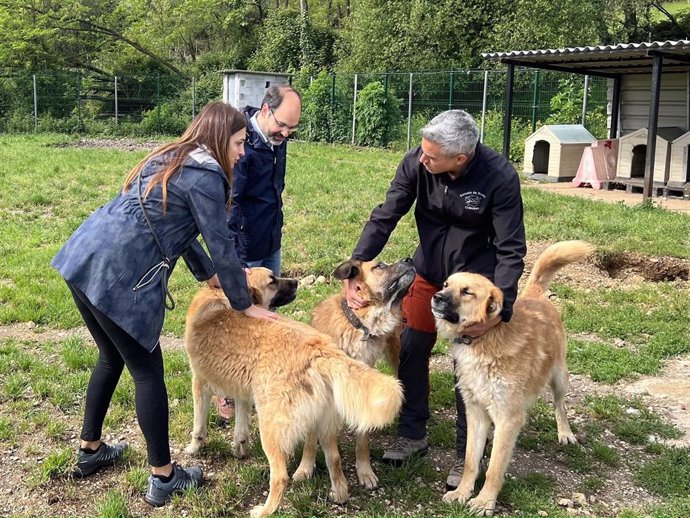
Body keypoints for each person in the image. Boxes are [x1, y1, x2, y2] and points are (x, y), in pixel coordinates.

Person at [51, 102, 277, 506]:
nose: (243, 152)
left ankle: (90, 450)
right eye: (240, 142)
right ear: (218, 137)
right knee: (148, 371)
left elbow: (180, 227)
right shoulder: (207, 177)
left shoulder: (173, 157)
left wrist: (205, 275)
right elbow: (221, 242)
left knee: (110, 356)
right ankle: (164, 476)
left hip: (82, 256)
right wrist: (244, 305)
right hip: (119, 274)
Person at [345, 109, 526, 490]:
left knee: (470, 367)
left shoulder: (499, 177)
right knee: (411, 347)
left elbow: (511, 249)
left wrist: (502, 306)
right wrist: (356, 267)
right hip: (428, 272)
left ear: (460, 158)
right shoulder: (417, 162)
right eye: (422, 152)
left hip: (471, 284)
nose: (421, 159)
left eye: (431, 156)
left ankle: (466, 455)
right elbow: (387, 214)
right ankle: (412, 434)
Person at [212, 84, 302, 422]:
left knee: (267, 313)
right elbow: (232, 205)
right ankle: (225, 391)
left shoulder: (278, 141)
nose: (286, 133)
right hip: (245, 249)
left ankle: (258, 379)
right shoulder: (243, 143)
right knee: (238, 316)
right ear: (265, 110)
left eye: (293, 128)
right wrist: (233, 261)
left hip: (270, 242)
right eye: (282, 124)